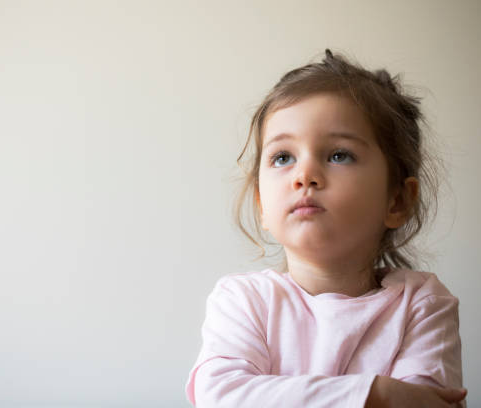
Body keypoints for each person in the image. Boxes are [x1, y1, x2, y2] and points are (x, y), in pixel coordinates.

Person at [185, 49, 466, 408]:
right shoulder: (243, 300)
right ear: (262, 207)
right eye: (282, 157)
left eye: (338, 155)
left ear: (396, 201)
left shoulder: (422, 303)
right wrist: (377, 395)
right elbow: (220, 396)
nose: (304, 176)